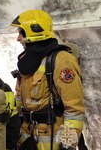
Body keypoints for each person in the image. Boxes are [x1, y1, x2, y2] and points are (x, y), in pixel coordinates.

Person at [10, 10, 85, 149]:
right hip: (28, 137)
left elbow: (74, 109)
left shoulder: (62, 60)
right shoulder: (25, 62)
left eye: (21, 32)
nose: (18, 38)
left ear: (33, 32)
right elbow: (19, 100)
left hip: (52, 140)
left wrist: (68, 145)